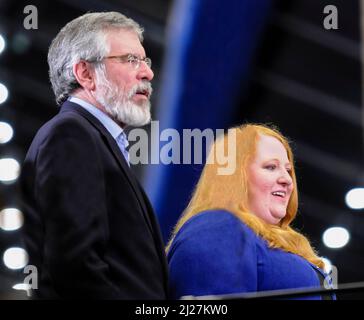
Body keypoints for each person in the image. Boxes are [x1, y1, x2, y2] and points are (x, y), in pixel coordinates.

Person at [20, 12, 168, 299]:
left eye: (145, 60)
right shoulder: (69, 137)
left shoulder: (91, 138)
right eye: (130, 60)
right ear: (85, 74)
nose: (148, 72)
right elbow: (75, 269)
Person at [167, 124, 335, 300]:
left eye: (288, 170)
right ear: (234, 176)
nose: (287, 180)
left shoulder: (265, 242)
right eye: (271, 167)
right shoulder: (216, 226)